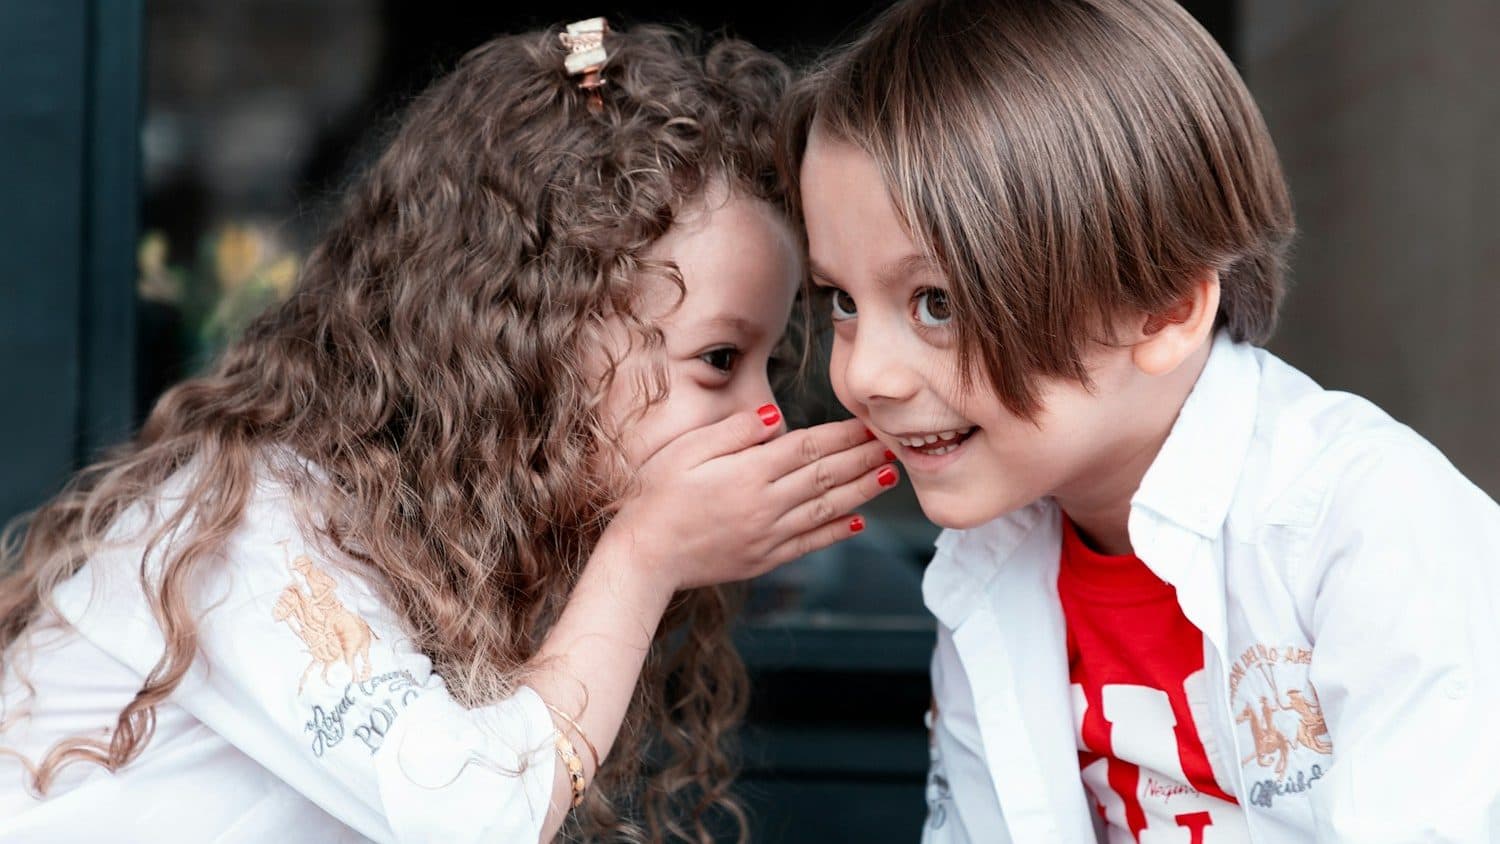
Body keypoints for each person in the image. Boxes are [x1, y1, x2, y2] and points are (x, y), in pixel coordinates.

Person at [0, 20, 898, 843]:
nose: (756, 416)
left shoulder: (466, 539)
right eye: (717, 361)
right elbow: (473, 819)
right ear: (537, 336)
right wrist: (645, 555)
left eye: (768, 369)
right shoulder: (251, 523)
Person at [780, 0, 1500, 840]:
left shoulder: (1372, 530)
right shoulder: (988, 564)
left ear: (1162, 310)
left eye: (936, 302)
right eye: (842, 300)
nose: (863, 374)